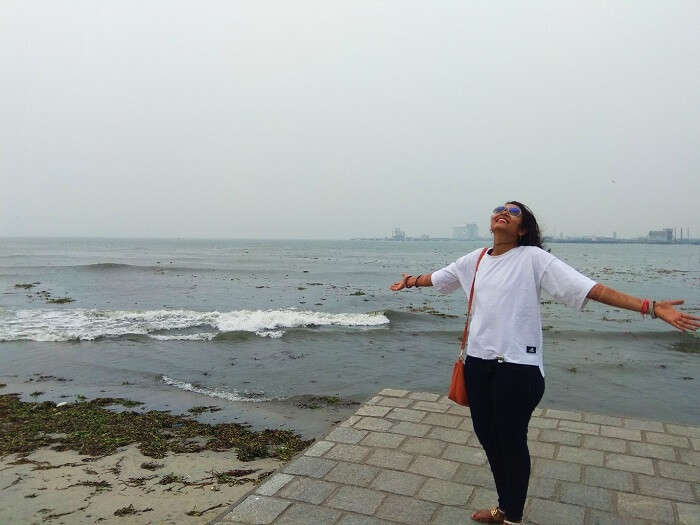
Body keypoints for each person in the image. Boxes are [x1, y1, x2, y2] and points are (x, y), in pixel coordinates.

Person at [389, 201, 699, 525]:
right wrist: (410, 280)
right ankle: (503, 507)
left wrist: (649, 307)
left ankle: (513, 518)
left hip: (518, 368)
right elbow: (439, 277)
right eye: (500, 208)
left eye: (514, 212)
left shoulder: (532, 258)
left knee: (511, 443)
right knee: (489, 440)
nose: (504, 212)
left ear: (522, 230)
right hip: (478, 366)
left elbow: (589, 288)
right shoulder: (476, 260)